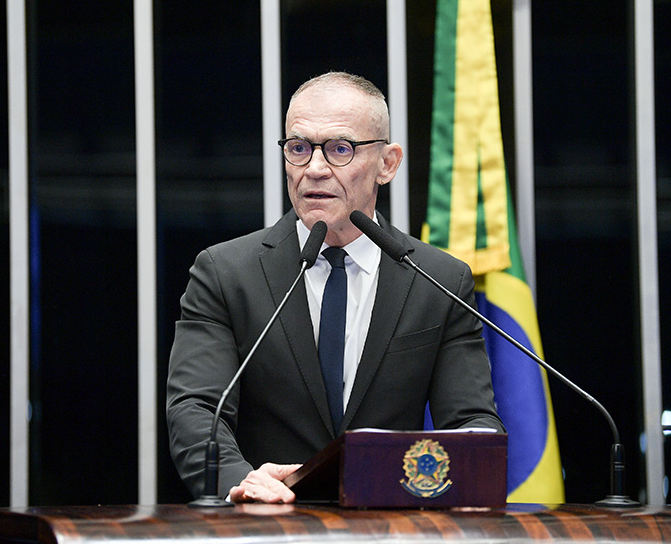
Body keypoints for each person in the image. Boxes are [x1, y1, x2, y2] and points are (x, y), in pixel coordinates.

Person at [167, 71, 504, 504]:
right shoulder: (226, 273)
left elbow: (470, 421)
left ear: (388, 164)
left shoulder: (439, 280)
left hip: (391, 527)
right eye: (299, 149)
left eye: (340, 149)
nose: (315, 169)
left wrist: (465, 469)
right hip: (266, 526)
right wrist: (242, 480)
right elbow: (196, 408)